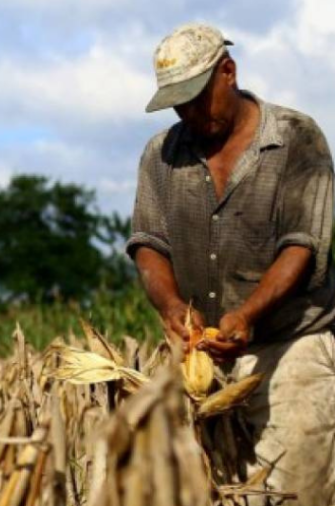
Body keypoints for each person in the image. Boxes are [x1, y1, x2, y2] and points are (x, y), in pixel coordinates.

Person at [128, 23, 335, 505]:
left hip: (290, 347)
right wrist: (172, 306)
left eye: (197, 98)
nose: (189, 114)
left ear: (228, 72)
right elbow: (149, 243)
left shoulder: (296, 138)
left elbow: (302, 245)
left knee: (295, 494)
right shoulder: (161, 154)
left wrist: (247, 314)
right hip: (201, 361)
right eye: (178, 104)